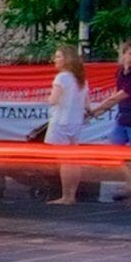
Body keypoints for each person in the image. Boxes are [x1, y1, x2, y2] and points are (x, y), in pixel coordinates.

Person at [46, 49, 93, 203]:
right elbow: (87, 104)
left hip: (61, 121)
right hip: (75, 122)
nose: (55, 59)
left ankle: (66, 196)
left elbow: (53, 100)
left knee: (64, 161)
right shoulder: (81, 79)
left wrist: (49, 97)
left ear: (66, 59)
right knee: (73, 160)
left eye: (58, 56)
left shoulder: (62, 77)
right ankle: (72, 194)